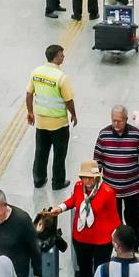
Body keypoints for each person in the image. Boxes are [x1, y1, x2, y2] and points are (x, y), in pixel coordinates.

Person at [49, 160, 120, 277]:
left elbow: (114, 217)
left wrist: (118, 240)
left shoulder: (108, 192)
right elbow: (73, 200)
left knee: (100, 271)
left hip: (102, 241)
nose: (86, 181)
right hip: (81, 239)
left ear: (96, 177)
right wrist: (60, 208)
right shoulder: (78, 186)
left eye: (89, 178)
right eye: (83, 177)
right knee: (84, 269)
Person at [93, 105, 139, 238]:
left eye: (119, 121)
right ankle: (117, 247)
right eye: (113, 120)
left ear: (126, 119)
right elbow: (97, 161)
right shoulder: (103, 135)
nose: (116, 124)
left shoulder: (137, 135)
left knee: (133, 222)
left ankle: (134, 247)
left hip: (131, 189)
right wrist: (95, 184)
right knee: (113, 223)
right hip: (110, 190)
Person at [26, 44, 78, 190]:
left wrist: (30, 112)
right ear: (55, 58)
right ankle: (58, 182)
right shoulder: (61, 77)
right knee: (59, 154)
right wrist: (74, 114)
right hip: (59, 124)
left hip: (41, 122)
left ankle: (38, 179)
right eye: (61, 55)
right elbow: (68, 100)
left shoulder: (36, 72)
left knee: (40, 152)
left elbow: (29, 93)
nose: (63, 57)